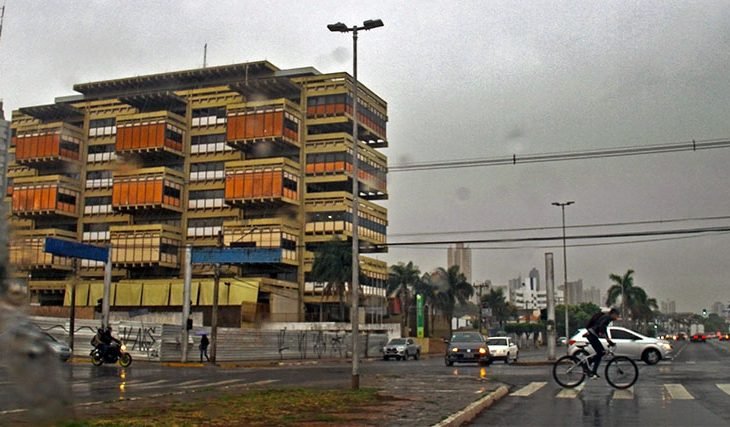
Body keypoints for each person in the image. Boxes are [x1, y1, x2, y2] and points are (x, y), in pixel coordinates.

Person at [584, 307, 620, 378]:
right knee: (600, 352)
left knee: (600, 353)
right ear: (613, 314)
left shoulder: (607, 318)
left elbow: (604, 328)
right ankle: (586, 367)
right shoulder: (607, 318)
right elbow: (602, 327)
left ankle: (593, 371)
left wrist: (608, 340)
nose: (617, 317)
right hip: (592, 335)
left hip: (592, 335)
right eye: (616, 315)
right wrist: (607, 340)